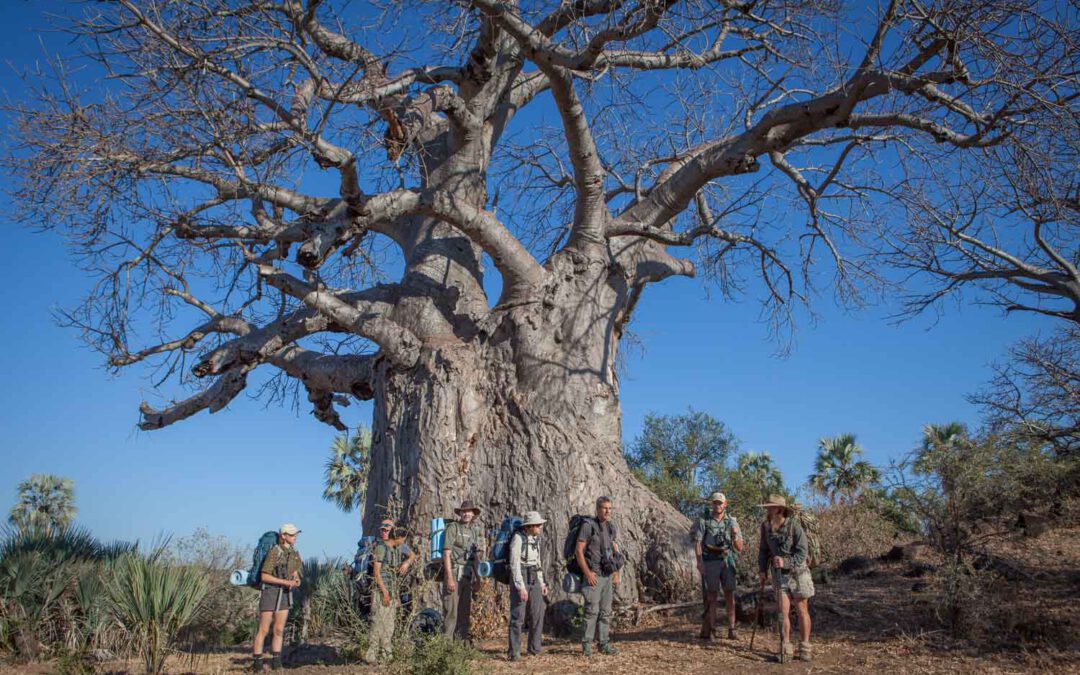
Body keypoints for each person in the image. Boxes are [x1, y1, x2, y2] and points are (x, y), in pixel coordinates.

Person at [757, 495, 814, 662]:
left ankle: (804, 647)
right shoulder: (765, 527)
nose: (768, 510)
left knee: (802, 610)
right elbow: (763, 551)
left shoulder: (794, 527)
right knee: (783, 612)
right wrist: (762, 570)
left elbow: (803, 551)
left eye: (771, 507)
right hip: (778, 575)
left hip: (798, 573)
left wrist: (786, 562)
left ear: (780, 509)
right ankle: (786, 647)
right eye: (767, 507)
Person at [692, 492, 744, 641]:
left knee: (729, 595)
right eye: (715, 503)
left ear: (725, 504)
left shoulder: (732, 522)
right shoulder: (704, 521)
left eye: (720, 503)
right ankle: (712, 629)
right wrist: (699, 562)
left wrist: (734, 536)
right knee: (712, 596)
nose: (718, 505)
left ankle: (732, 628)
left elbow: (740, 547)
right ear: (712, 504)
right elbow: (697, 542)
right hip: (710, 561)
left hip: (728, 560)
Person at [364, 524, 418, 665]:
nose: (403, 541)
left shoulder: (395, 548)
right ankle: (371, 656)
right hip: (382, 591)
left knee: (389, 625)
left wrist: (406, 563)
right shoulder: (381, 548)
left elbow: (412, 555)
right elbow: (377, 572)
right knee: (377, 624)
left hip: (392, 591)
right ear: (398, 537)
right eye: (403, 538)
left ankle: (386, 655)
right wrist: (385, 592)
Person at [252, 523, 302, 672]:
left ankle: (277, 662)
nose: (295, 537)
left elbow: (295, 573)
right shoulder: (274, 551)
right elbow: (265, 575)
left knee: (279, 629)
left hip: (285, 594)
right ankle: (257, 663)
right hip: (270, 592)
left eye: (295, 534)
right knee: (264, 629)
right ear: (283, 536)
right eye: (292, 534)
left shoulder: (294, 553)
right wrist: (284, 582)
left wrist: (296, 580)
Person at [575, 496, 621, 657]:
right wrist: (587, 573)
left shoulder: (611, 528)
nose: (608, 511)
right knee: (591, 612)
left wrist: (616, 572)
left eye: (610, 508)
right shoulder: (588, 526)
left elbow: (613, 553)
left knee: (606, 612)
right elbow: (579, 551)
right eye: (604, 508)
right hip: (593, 576)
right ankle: (587, 645)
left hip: (607, 576)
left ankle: (603, 643)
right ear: (597, 509)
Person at [442, 499, 486, 642]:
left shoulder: (474, 532)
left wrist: (479, 579)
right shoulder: (453, 528)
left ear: (473, 514)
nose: (466, 514)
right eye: (464, 511)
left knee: (464, 613)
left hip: (467, 577)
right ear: (460, 513)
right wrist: (449, 577)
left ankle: (460, 648)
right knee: (451, 613)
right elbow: (447, 553)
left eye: (469, 511)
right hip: (454, 574)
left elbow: (475, 558)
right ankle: (445, 650)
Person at [508, 511, 548, 661]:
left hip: (534, 576)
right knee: (518, 615)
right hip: (521, 575)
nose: (540, 527)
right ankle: (514, 652)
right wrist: (520, 586)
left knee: (538, 613)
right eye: (538, 525)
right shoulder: (517, 539)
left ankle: (534, 648)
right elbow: (514, 564)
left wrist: (542, 583)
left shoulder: (535, 539)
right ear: (530, 526)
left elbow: (537, 563)